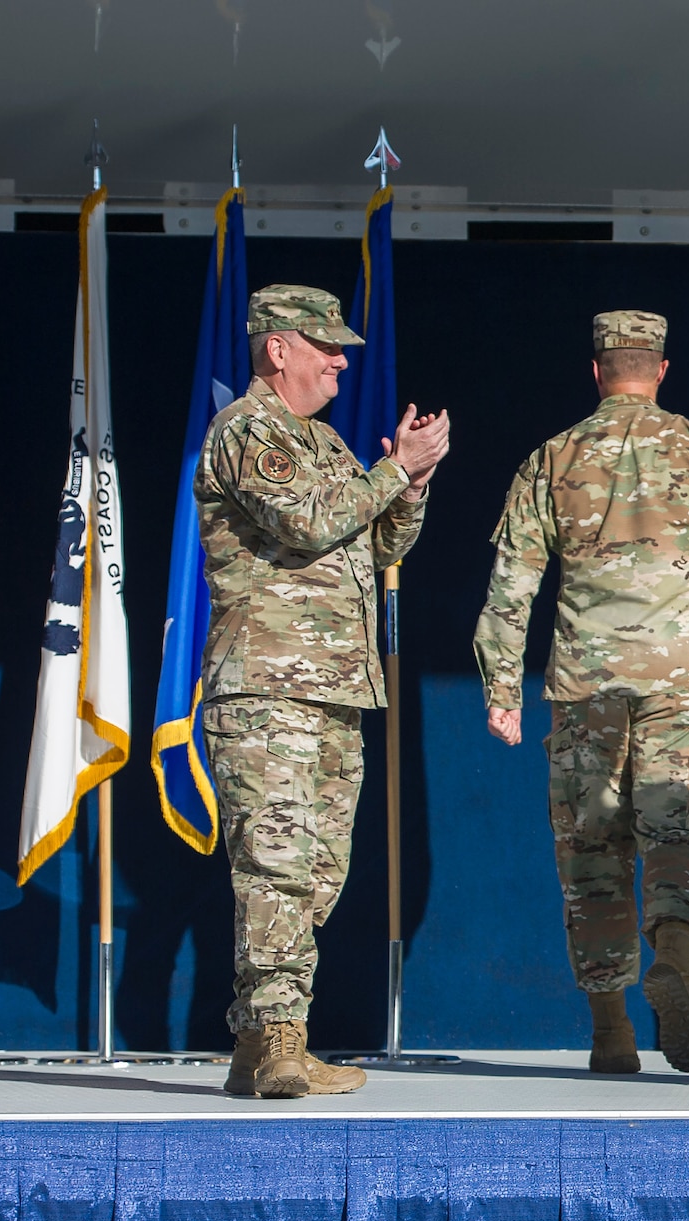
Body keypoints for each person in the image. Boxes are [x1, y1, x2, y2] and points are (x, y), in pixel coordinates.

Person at [474, 310, 689, 1076]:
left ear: (597, 370)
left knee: (592, 854)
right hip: (683, 677)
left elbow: (512, 586)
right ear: (662, 369)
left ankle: (610, 1030)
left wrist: (501, 686)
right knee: (681, 834)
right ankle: (671, 954)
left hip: (586, 683)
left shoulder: (552, 458)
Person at [201, 284, 450, 1098]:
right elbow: (307, 523)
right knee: (274, 866)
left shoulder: (327, 444)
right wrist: (390, 471)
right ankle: (280, 1040)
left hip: (336, 689)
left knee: (315, 874)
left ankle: (255, 1045)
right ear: (279, 349)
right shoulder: (248, 431)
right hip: (269, 686)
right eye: (324, 345)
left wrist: (411, 484)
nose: (341, 359)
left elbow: (380, 540)